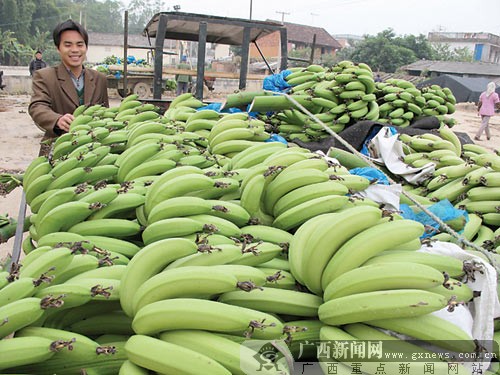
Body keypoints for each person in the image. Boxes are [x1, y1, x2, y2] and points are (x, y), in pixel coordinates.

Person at [29, 19, 109, 150]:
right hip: (57, 147)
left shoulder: (99, 78)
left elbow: (105, 112)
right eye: (68, 45)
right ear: (58, 48)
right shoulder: (45, 76)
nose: (75, 50)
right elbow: (37, 107)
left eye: (79, 44)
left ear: (86, 47)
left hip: (93, 149)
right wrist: (57, 120)